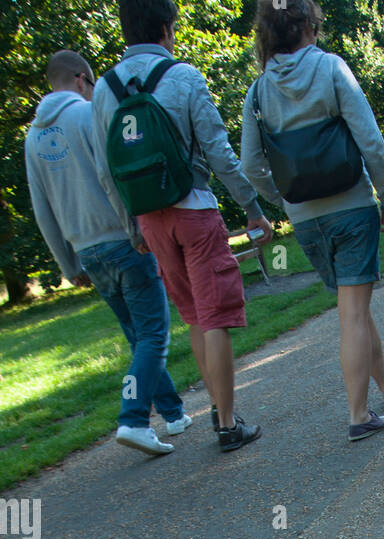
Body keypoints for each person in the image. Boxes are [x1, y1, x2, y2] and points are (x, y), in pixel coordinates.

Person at [92, 0, 273, 453]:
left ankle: (217, 407)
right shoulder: (184, 77)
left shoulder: (103, 89)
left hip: (150, 221)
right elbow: (219, 153)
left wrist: (131, 224)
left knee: (193, 314)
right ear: (168, 28)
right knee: (215, 316)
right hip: (193, 209)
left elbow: (105, 170)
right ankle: (228, 423)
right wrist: (251, 206)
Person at [241, 0, 384, 442]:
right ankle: (358, 415)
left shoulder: (257, 91)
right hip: (350, 207)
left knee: (356, 307)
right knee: (351, 313)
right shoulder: (331, 69)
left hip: (307, 220)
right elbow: (370, 139)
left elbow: (251, 165)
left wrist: (284, 199)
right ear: (309, 26)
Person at [25, 49, 189, 457]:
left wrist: (68, 264)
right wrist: (136, 229)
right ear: (82, 78)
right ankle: (133, 419)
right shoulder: (86, 117)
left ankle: (172, 412)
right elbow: (114, 176)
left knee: (138, 337)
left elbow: (42, 209)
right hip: (121, 239)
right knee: (153, 334)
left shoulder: (31, 139)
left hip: (88, 252)